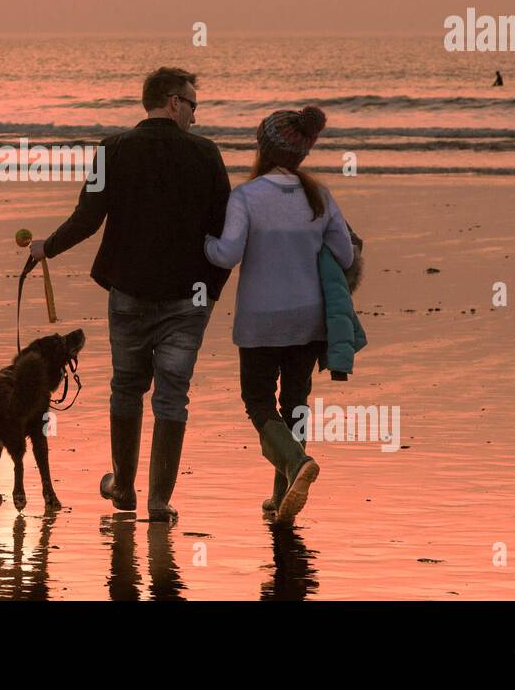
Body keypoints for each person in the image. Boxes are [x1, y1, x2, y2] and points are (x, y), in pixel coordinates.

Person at [30, 67, 230, 522]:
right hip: (189, 297)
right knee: (172, 397)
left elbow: (87, 218)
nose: (196, 116)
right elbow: (225, 230)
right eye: (193, 105)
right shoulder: (206, 154)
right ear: (174, 101)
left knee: (126, 387)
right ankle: (159, 501)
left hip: (129, 292)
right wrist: (212, 290)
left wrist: (48, 248)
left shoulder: (112, 150)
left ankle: (123, 487)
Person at [204, 106, 353, 526]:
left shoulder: (246, 196)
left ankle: (296, 463)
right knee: (295, 403)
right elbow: (345, 254)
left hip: (259, 322)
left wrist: (206, 244)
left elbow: (227, 254)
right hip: (308, 320)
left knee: (258, 402)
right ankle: (283, 495)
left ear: (263, 147)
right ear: (302, 154)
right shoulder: (319, 196)